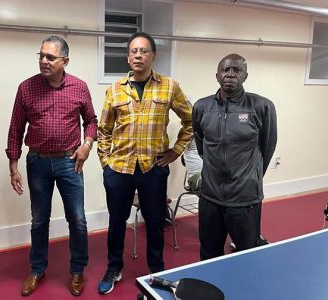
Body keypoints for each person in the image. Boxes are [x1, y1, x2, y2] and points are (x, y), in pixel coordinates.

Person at [97, 32, 193, 295]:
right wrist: (106, 163)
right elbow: (103, 130)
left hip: (154, 169)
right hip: (119, 169)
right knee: (117, 222)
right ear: (128, 56)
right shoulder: (115, 90)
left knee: (154, 222)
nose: (138, 55)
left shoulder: (169, 87)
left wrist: (175, 152)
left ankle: (157, 271)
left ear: (153, 55)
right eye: (133, 51)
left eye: (143, 51)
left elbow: (191, 120)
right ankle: (113, 268)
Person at [6, 36, 97, 297]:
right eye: (41, 55)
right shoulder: (26, 88)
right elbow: (15, 128)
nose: (43, 61)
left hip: (70, 162)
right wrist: (14, 166)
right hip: (37, 162)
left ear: (65, 61)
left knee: (77, 220)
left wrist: (87, 145)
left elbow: (91, 120)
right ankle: (37, 269)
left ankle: (78, 270)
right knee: (39, 220)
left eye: (50, 57)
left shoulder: (79, 87)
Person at [192, 53, 277, 260]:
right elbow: (201, 144)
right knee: (208, 252)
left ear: (245, 76)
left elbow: (267, 148)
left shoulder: (261, 107)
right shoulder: (202, 107)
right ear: (217, 75)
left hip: (245, 198)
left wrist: (251, 176)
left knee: (246, 253)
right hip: (210, 197)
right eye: (225, 69)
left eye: (237, 70)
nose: (230, 74)